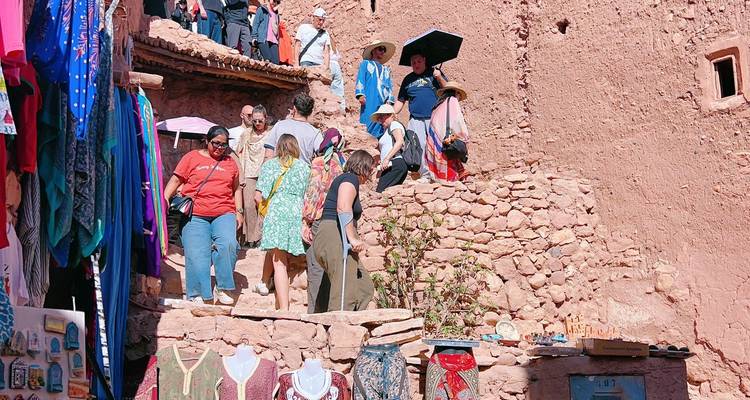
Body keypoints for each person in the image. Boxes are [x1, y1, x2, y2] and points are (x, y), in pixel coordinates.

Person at [164, 126, 242, 305]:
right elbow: (176, 180)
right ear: (207, 141)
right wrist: (165, 199)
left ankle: (222, 287)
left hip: (224, 211)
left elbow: (236, 188)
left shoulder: (230, 162)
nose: (219, 148)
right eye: (216, 143)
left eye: (224, 145)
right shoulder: (191, 158)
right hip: (195, 213)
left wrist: (239, 212)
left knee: (228, 244)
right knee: (197, 252)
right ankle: (198, 293)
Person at [313, 150, 376, 312]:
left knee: (363, 287)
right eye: (370, 168)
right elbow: (343, 207)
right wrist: (352, 239)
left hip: (335, 233)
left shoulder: (347, 179)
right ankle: (340, 329)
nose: (372, 173)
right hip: (334, 233)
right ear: (363, 167)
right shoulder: (350, 179)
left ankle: (352, 325)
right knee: (344, 291)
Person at [256, 134, 310, 310]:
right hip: (296, 211)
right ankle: (281, 303)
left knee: (279, 262)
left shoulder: (270, 165)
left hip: (277, 210)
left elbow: (258, 196)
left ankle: (284, 309)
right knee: (287, 258)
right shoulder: (304, 167)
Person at [302, 128, 346, 313]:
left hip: (318, 221)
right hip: (336, 221)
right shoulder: (342, 164)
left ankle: (314, 314)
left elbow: (314, 193)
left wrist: (306, 221)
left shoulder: (319, 163)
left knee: (315, 268)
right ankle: (331, 311)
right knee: (331, 269)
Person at [394, 52, 448, 181]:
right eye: (413, 62)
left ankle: (441, 173)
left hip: (434, 116)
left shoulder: (434, 74)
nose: (416, 64)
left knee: (437, 145)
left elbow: (448, 89)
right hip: (415, 119)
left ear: (424, 60)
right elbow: (401, 100)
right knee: (420, 146)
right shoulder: (408, 79)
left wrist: (439, 77)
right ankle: (425, 174)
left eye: (418, 61)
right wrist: (392, 113)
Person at [236, 105, 269, 247]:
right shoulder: (246, 134)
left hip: (265, 173)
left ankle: (262, 236)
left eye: (260, 121)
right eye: (254, 120)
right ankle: (251, 238)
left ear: (265, 119)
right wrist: (240, 175)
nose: (257, 124)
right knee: (249, 206)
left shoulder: (271, 134)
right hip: (249, 172)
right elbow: (239, 154)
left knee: (263, 205)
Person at [425, 82, 470, 182]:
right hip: (445, 141)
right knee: (450, 174)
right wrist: (464, 137)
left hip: (435, 141)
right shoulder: (452, 101)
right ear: (457, 93)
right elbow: (458, 121)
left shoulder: (438, 105)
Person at [263, 93, 322, 165]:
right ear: (311, 112)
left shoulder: (279, 126)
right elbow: (321, 155)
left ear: (294, 109)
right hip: (302, 174)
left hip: (278, 173)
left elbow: (268, 154)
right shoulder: (315, 132)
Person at [355, 40, 395, 139]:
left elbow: (390, 86)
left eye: (384, 50)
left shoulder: (386, 69)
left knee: (381, 123)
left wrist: (390, 100)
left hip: (383, 102)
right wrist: (360, 94)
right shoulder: (365, 64)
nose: (382, 52)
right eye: (380, 49)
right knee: (368, 120)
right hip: (370, 98)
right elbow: (360, 79)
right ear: (373, 51)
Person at [370, 104, 407, 192]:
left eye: (382, 117)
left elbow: (399, 141)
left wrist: (387, 159)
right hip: (390, 165)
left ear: (391, 115)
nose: (380, 120)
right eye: (379, 118)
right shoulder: (387, 130)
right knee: (386, 193)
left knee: (380, 193)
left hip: (395, 163)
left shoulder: (394, 124)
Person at [329, 35, 346, 112]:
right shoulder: (334, 46)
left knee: (327, 88)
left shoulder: (323, 40)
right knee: (338, 90)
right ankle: (341, 108)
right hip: (336, 65)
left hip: (328, 64)